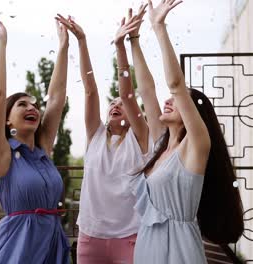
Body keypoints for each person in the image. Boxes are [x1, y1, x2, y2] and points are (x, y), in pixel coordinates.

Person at [131, 1, 244, 263]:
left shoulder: (196, 146)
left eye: (181, 101)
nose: (168, 101)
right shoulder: (162, 143)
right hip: (148, 248)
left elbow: (175, 84)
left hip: (179, 252)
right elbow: (146, 90)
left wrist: (159, 27)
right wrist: (133, 40)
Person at [56, 8, 151, 264]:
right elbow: (90, 91)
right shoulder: (95, 135)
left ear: (134, 114)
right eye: (113, 102)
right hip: (90, 237)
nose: (116, 104)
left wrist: (121, 46)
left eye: (122, 103)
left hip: (130, 236)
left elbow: (128, 93)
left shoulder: (140, 138)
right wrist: (82, 41)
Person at [0, 15, 70, 263]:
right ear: (7, 120)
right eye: (22, 104)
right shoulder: (2, 153)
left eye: (33, 105)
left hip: (51, 242)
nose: (31, 108)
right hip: (17, 246)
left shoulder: (43, 150)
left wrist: (63, 47)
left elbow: (56, 99)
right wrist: (1, 43)